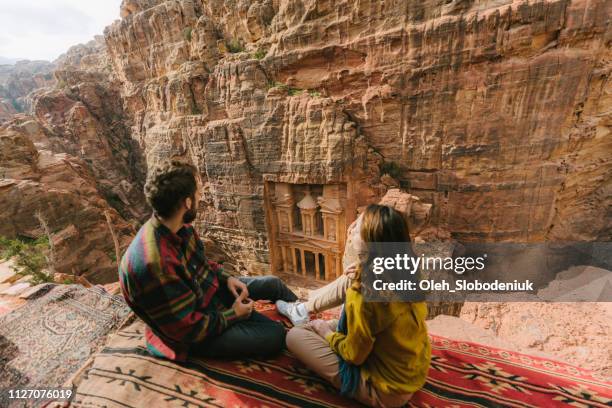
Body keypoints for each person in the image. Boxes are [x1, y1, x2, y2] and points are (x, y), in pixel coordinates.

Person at [118, 159, 298, 362]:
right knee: (275, 336)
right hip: (192, 334)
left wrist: (227, 278)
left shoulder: (179, 227)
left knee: (273, 284)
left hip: (204, 294)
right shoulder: (156, 264)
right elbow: (188, 329)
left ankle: (303, 314)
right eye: (197, 194)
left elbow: (201, 264)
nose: (200, 198)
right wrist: (234, 315)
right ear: (187, 203)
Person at [285, 205, 431, 407]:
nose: (351, 227)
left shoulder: (364, 293)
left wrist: (326, 333)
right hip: (411, 371)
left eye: (358, 226)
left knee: (295, 336)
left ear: (370, 244)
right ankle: (302, 309)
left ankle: (304, 316)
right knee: (350, 276)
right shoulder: (409, 268)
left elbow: (354, 356)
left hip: (386, 391)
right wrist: (363, 266)